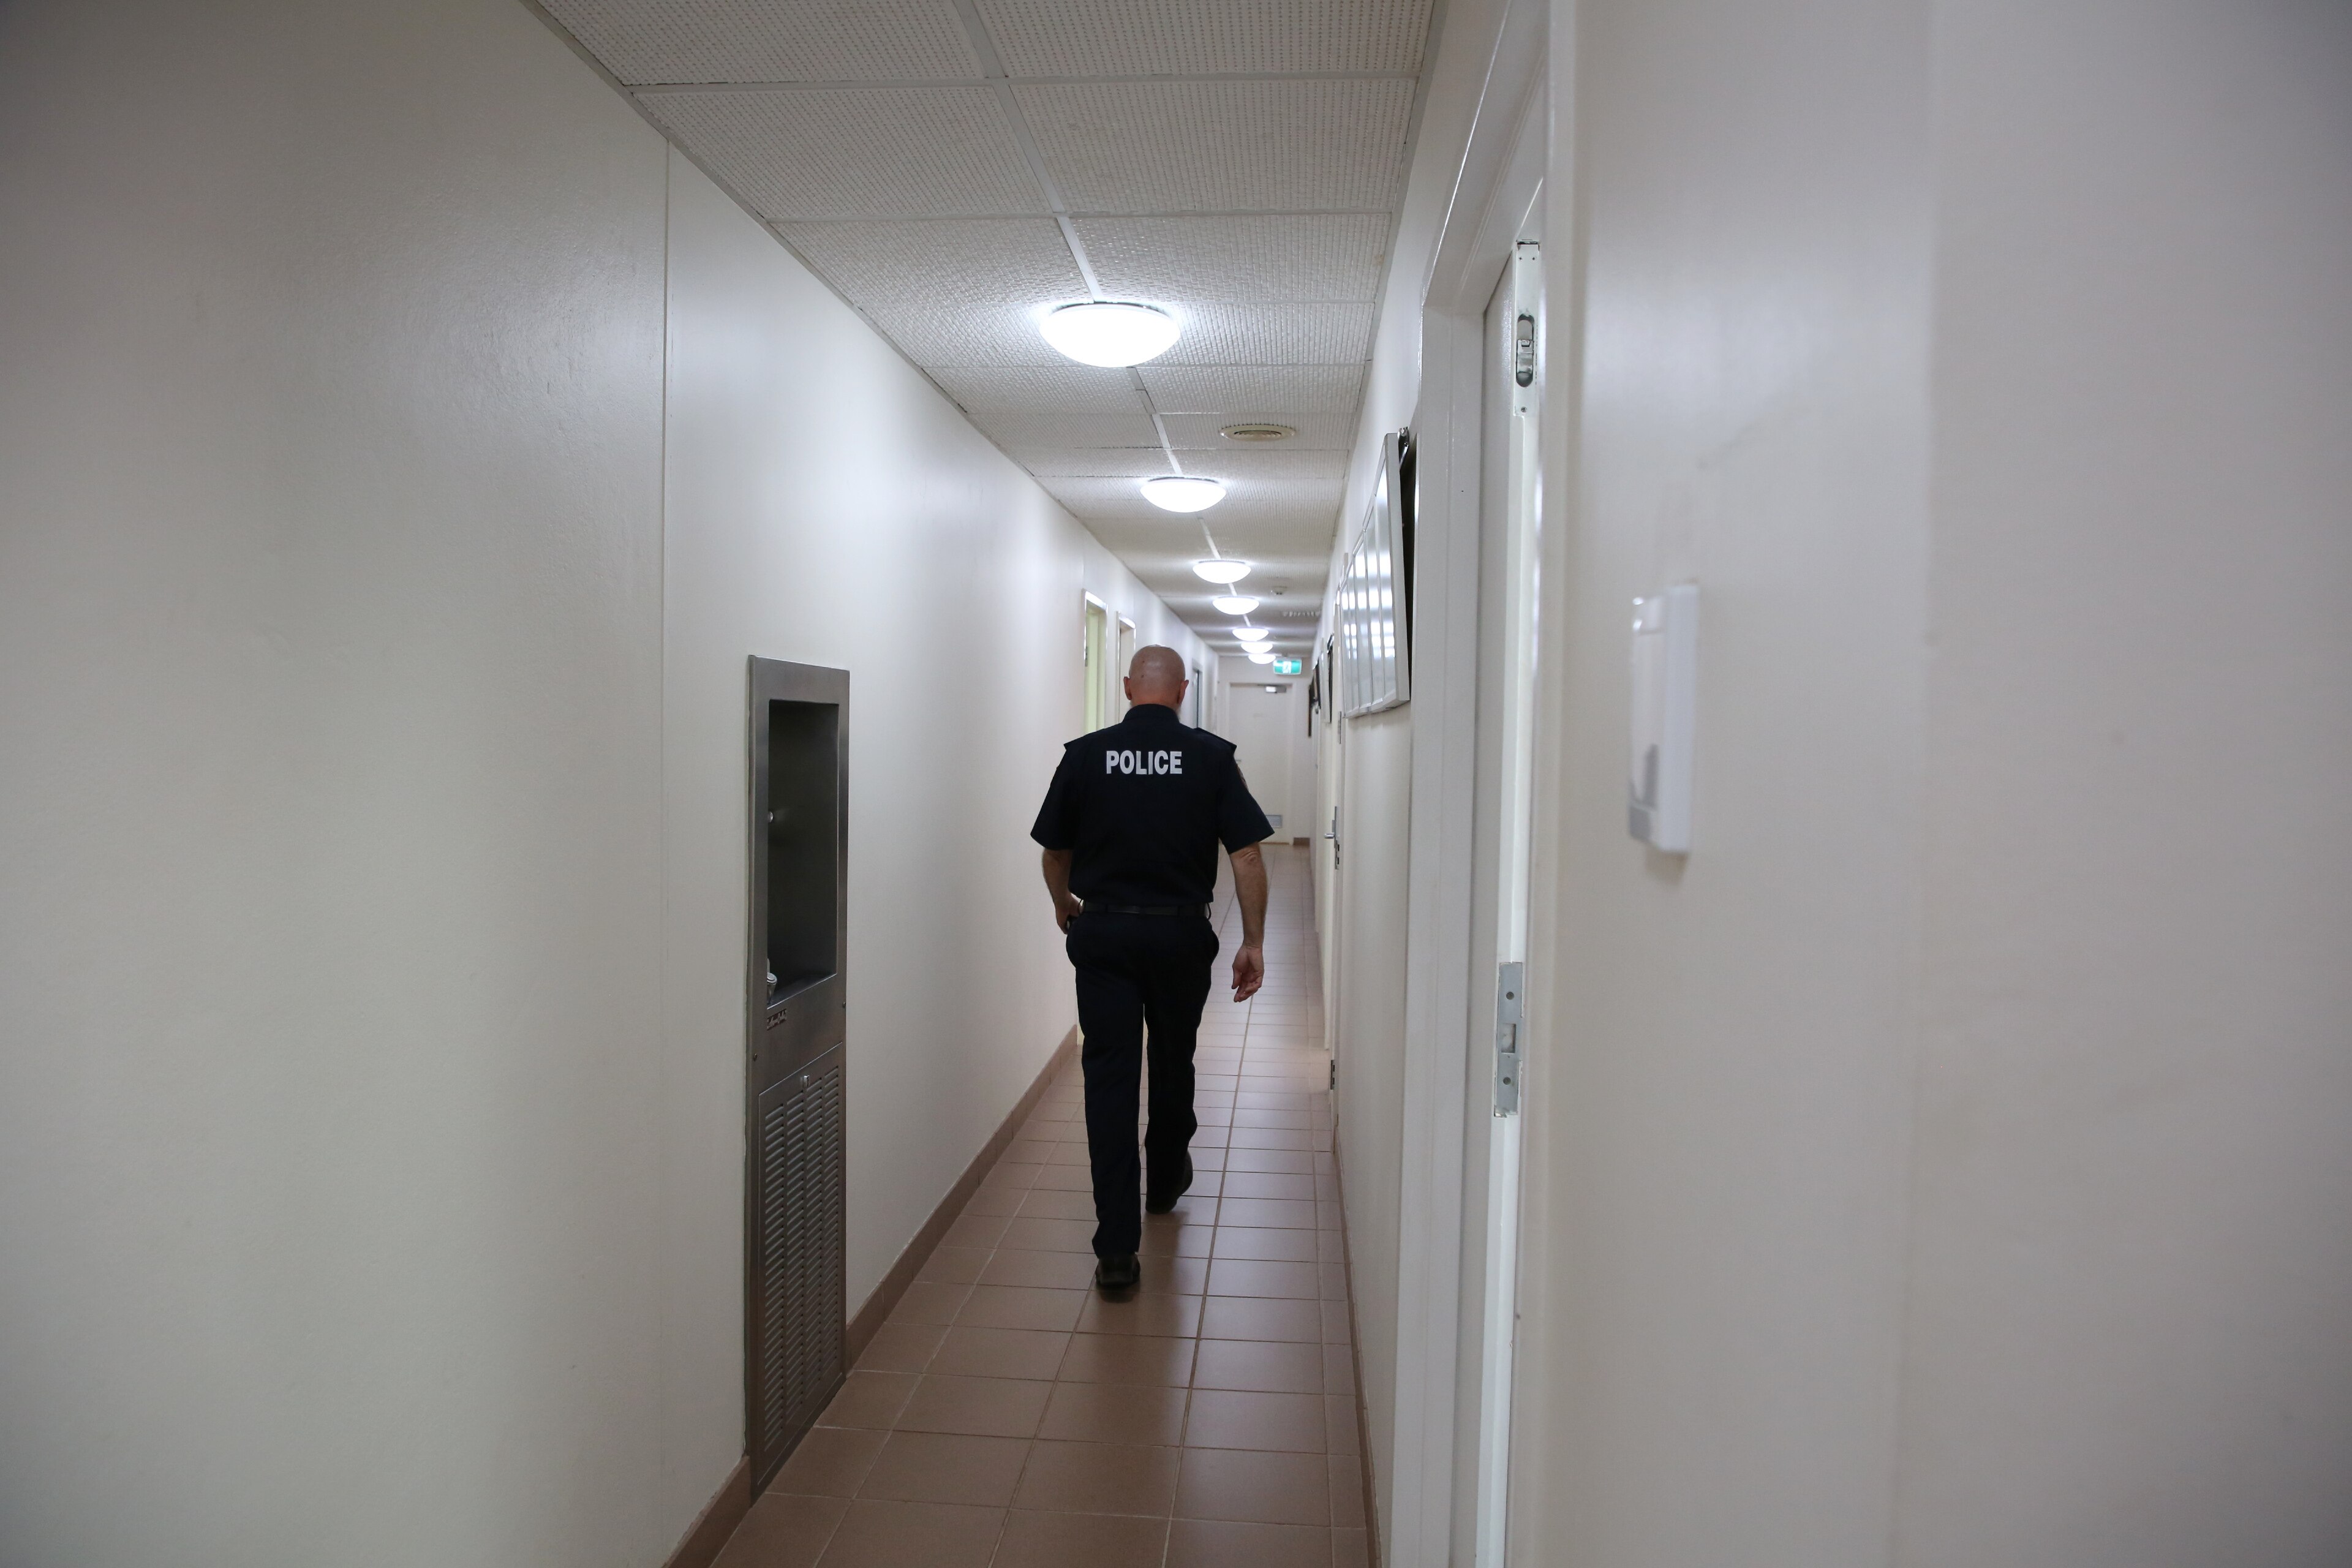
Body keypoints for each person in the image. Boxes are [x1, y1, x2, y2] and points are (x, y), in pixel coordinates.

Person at [1031, 645, 1272, 1292]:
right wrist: (1253, 940)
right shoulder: (1212, 756)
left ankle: (1115, 1249)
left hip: (1104, 932)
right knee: (1172, 1058)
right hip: (1178, 935)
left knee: (1109, 1079)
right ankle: (1165, 1179)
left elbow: (1055, 852)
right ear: (1184, 691)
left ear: (1129, 686)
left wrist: (1065, 904)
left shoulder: (1084, 755)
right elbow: (1246, 854)